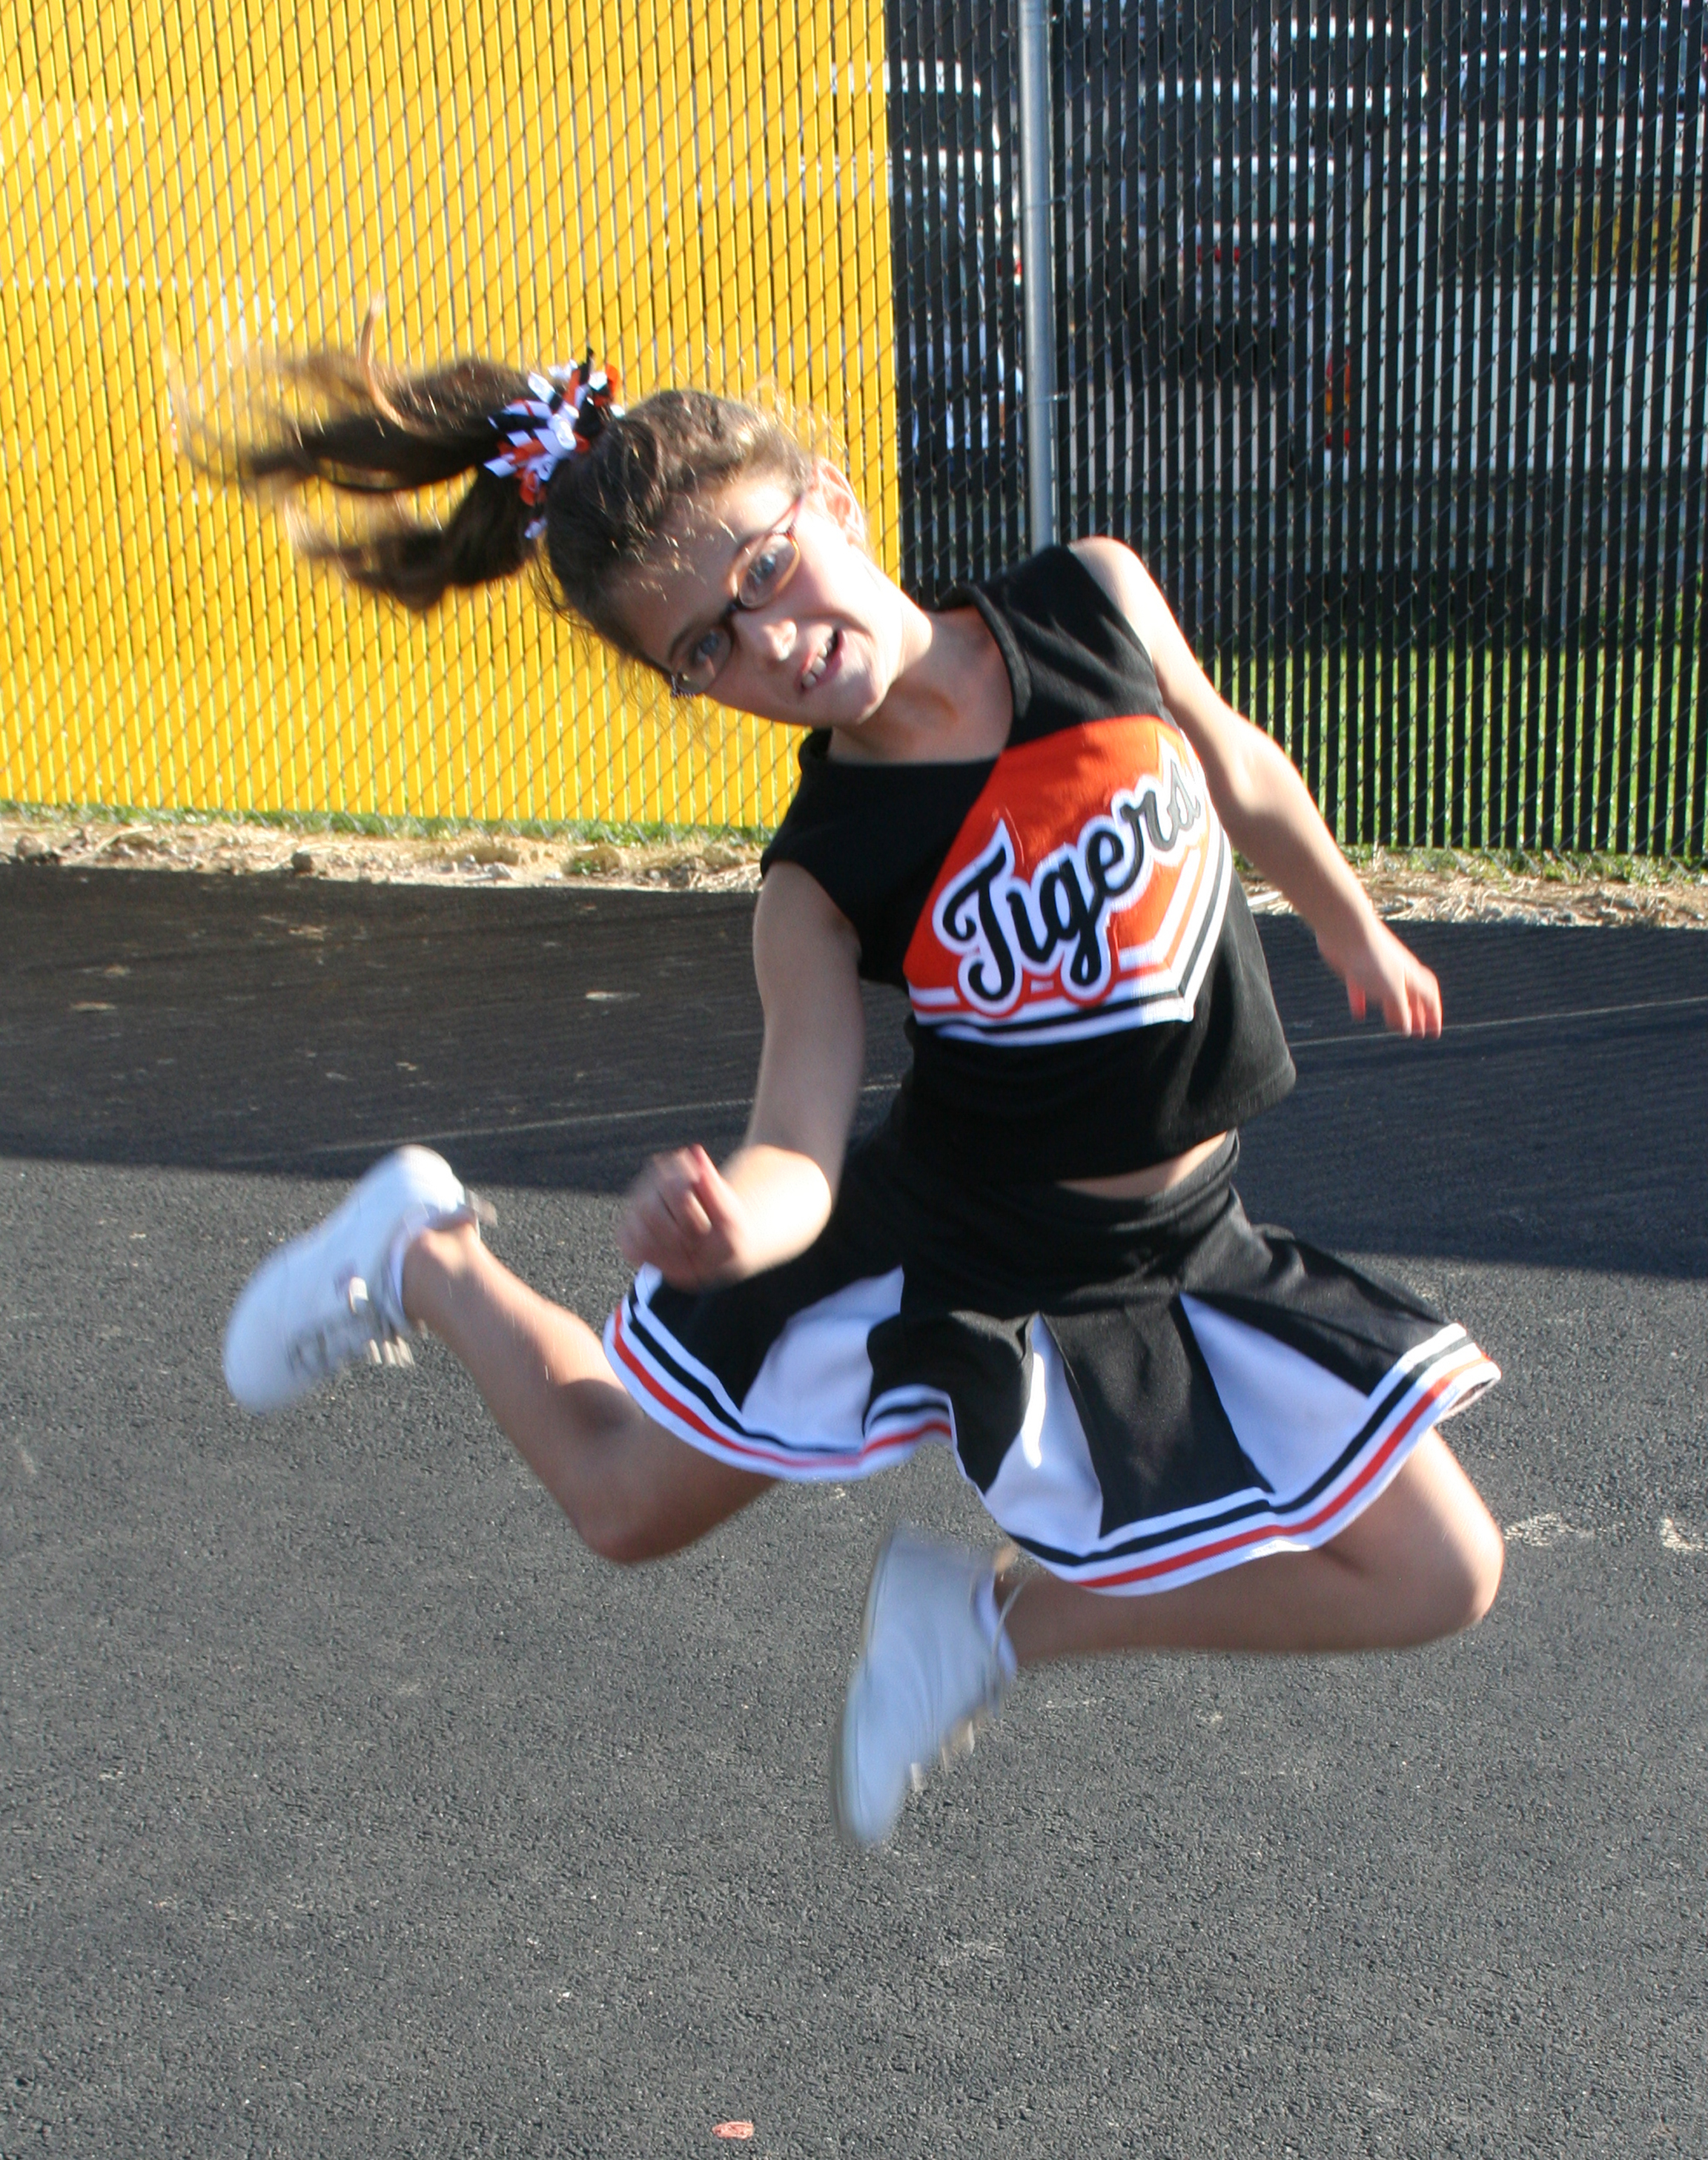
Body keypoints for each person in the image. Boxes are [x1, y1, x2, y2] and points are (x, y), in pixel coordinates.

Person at [197, 346, 1503, 1852]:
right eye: (707, 648)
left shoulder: (1089, 596)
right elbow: (799, 1149)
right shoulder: (818, 881)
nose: (769, 641)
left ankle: (990, 1631)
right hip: (957, 1237)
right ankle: (428, 1252)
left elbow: (1238, 761)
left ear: (835, 501)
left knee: (1439, 1573)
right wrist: (729, 1230)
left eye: (765, 568)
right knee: (622, 1503)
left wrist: (1346, 921)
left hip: (1184, 1245)